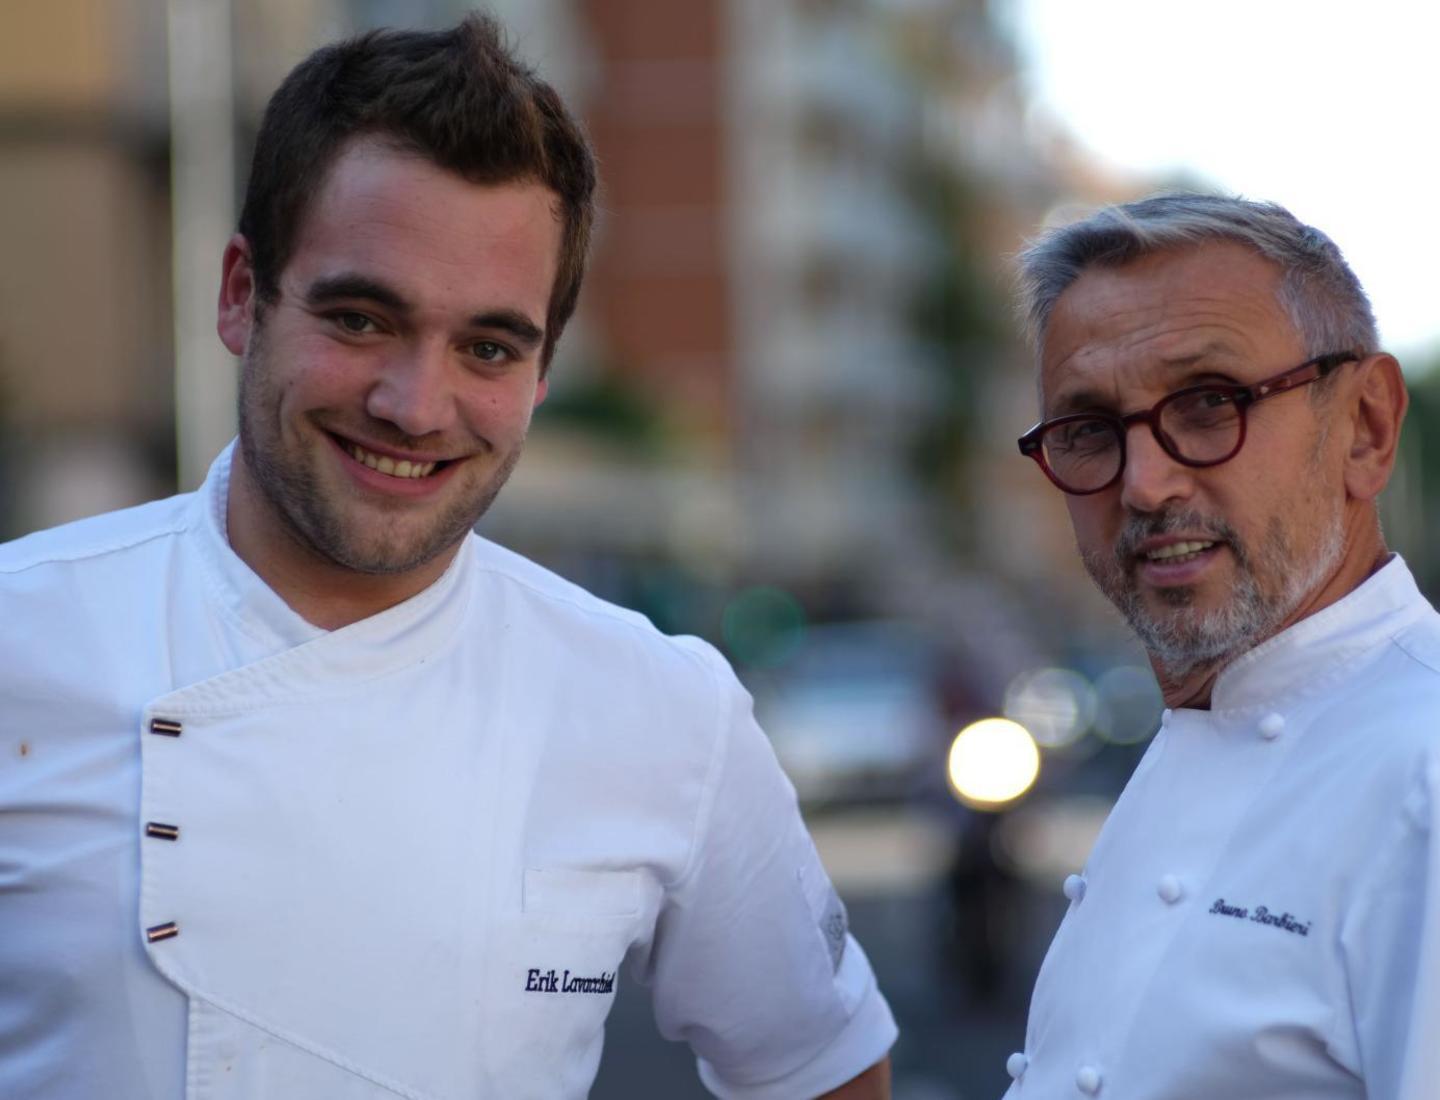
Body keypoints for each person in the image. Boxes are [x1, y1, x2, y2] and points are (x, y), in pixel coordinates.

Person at [0, 16, 896, 1100]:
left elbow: (820, 1067)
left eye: (487, 346)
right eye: (362, 317)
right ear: (242, 294)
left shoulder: (665, 710)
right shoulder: (23, 634)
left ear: (543, 370)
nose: (415, 405)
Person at [1003, 193, 1437, 1098]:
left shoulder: (1423, 770)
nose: (1146, 484)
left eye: (1208, 404)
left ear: (1365, 427)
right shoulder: (1205, 722)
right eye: (1088, 430)